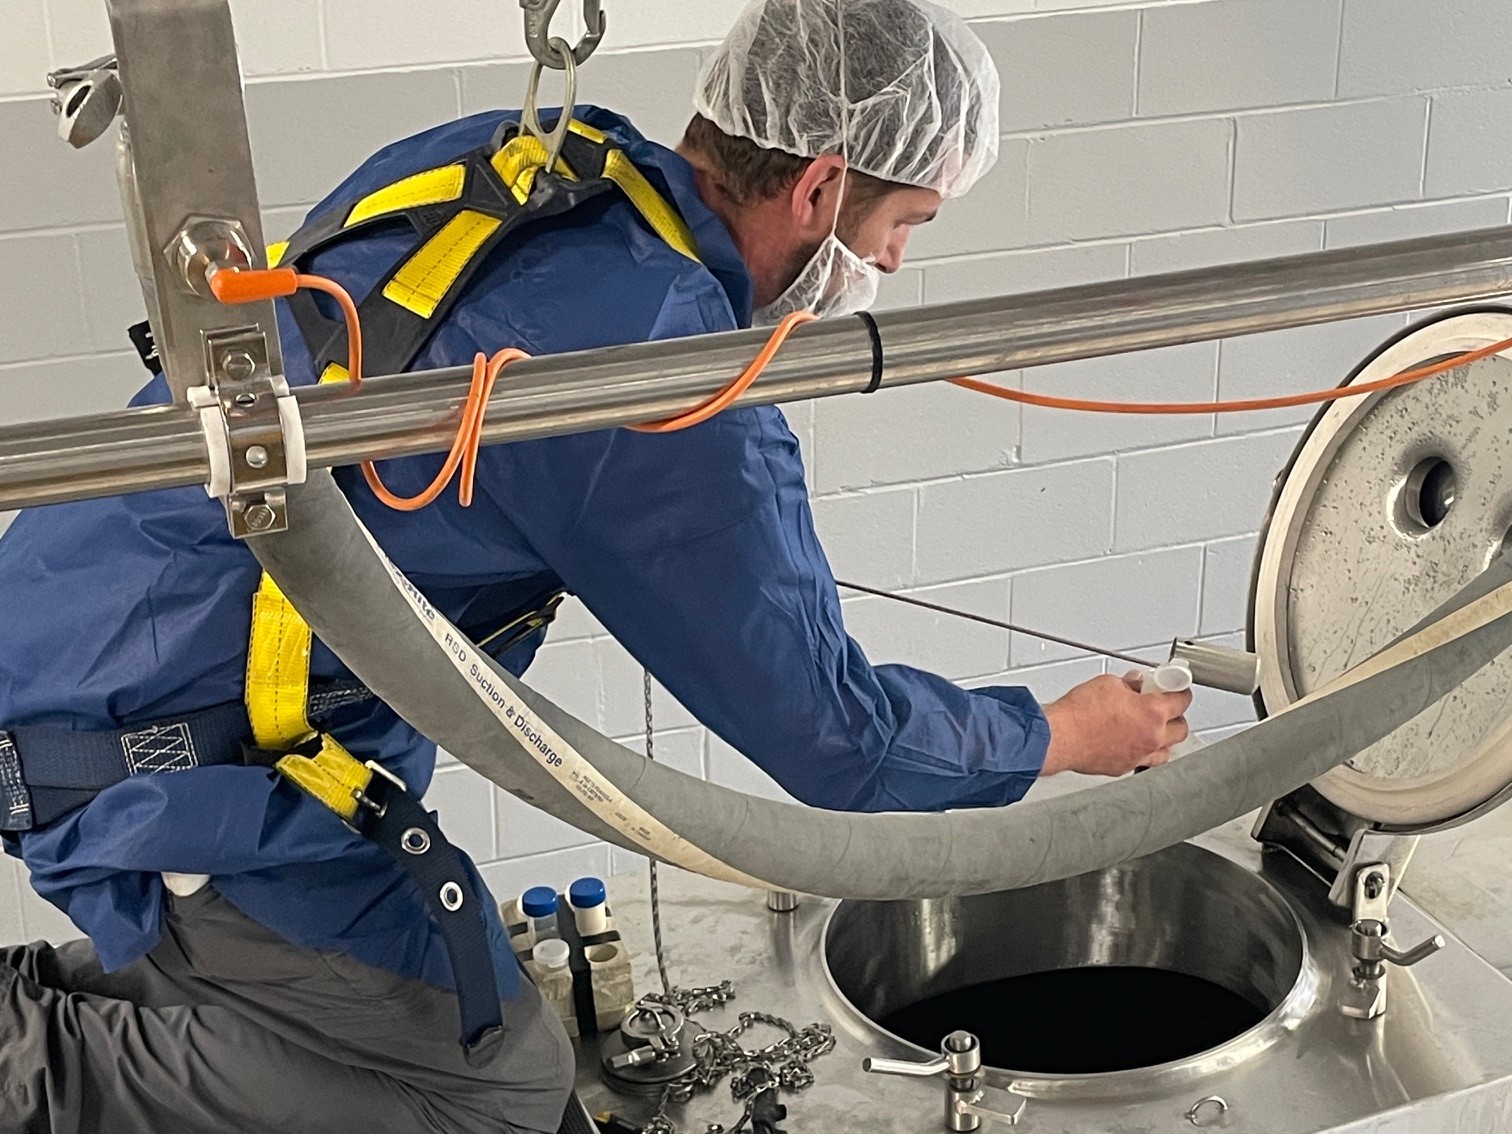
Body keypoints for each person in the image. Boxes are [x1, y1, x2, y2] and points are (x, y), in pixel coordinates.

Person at [0, 0, 1191, 1130]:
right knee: (490, 1093)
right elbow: (843, 745)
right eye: (905, 225)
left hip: (77, 613)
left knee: (419, 1008)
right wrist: (1059, 736)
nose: (891, 262)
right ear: (823, 186)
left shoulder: (547, 161)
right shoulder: (662, 385)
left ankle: (185, 994)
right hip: (159, 749)